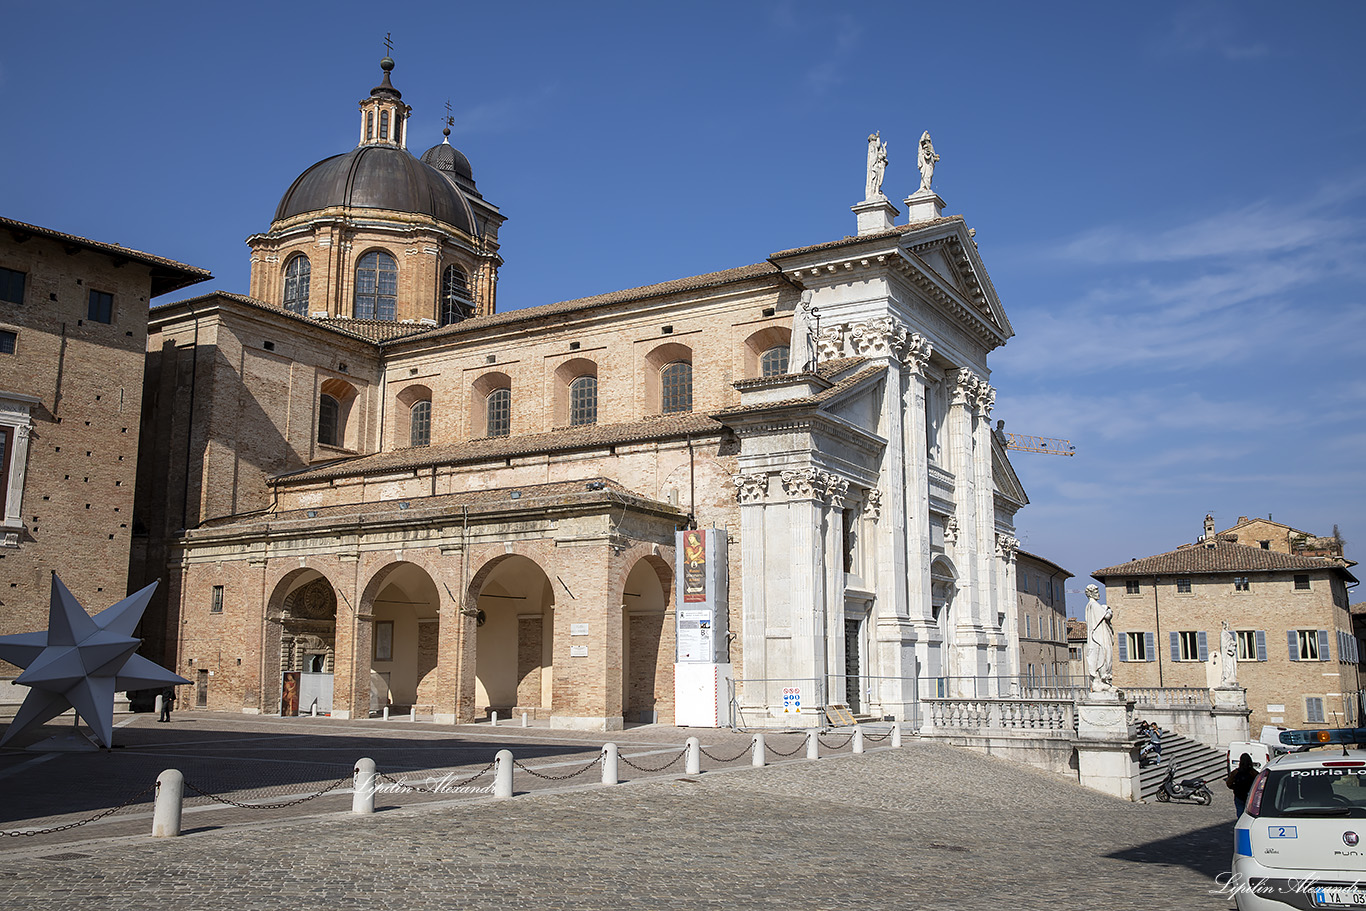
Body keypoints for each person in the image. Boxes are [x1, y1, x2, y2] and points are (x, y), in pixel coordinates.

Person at [1227, 753, 1258, 817]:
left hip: (1239, 796)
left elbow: (1228, 783)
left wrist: (1234, 787)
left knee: (1240, 812)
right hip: (1250, 796)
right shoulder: (1253, 773)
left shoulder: (1235, 772)